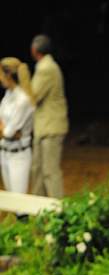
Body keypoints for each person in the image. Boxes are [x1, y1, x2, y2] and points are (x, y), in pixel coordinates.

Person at [30, 34, 69, 199]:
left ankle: (58, 211)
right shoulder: (46, 65)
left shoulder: (46, 68)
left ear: (34, 50)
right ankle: (38, 209)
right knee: (38, 170)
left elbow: (34, 96)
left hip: (51, 126)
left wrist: (22, 80)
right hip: (44, 126)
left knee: (50, 171)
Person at [0, 57, 35, 194]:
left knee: (20, 202)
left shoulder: (23, 100)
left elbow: (9, 132)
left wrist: (7, 130)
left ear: (8, 74)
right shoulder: (8, 95)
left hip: (19, 156)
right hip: (4, 152)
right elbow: (8, 131)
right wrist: (7, 131)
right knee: (12, 201)